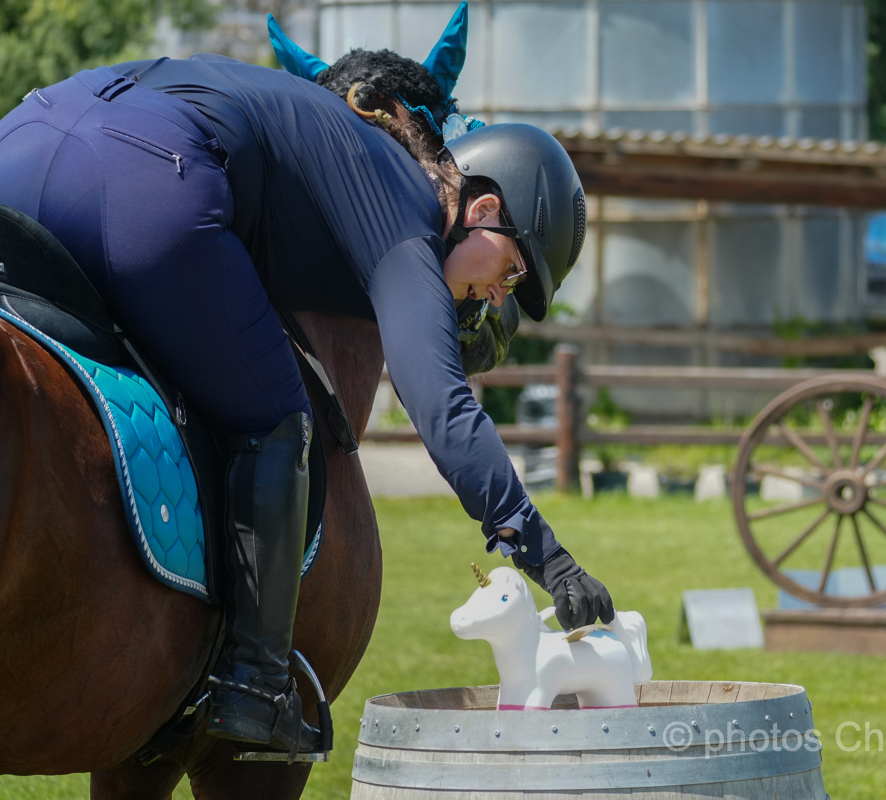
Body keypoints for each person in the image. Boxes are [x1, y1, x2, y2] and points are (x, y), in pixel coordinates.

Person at [0, 4, 612, 756]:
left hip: (23, 141)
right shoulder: (409, 210)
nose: (495, 297)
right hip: (146, 180)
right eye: (510, 272)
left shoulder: (325, 148)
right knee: (277, 418)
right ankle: (254, 687)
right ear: (482, 208)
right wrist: (542, 554)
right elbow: (441, 405)